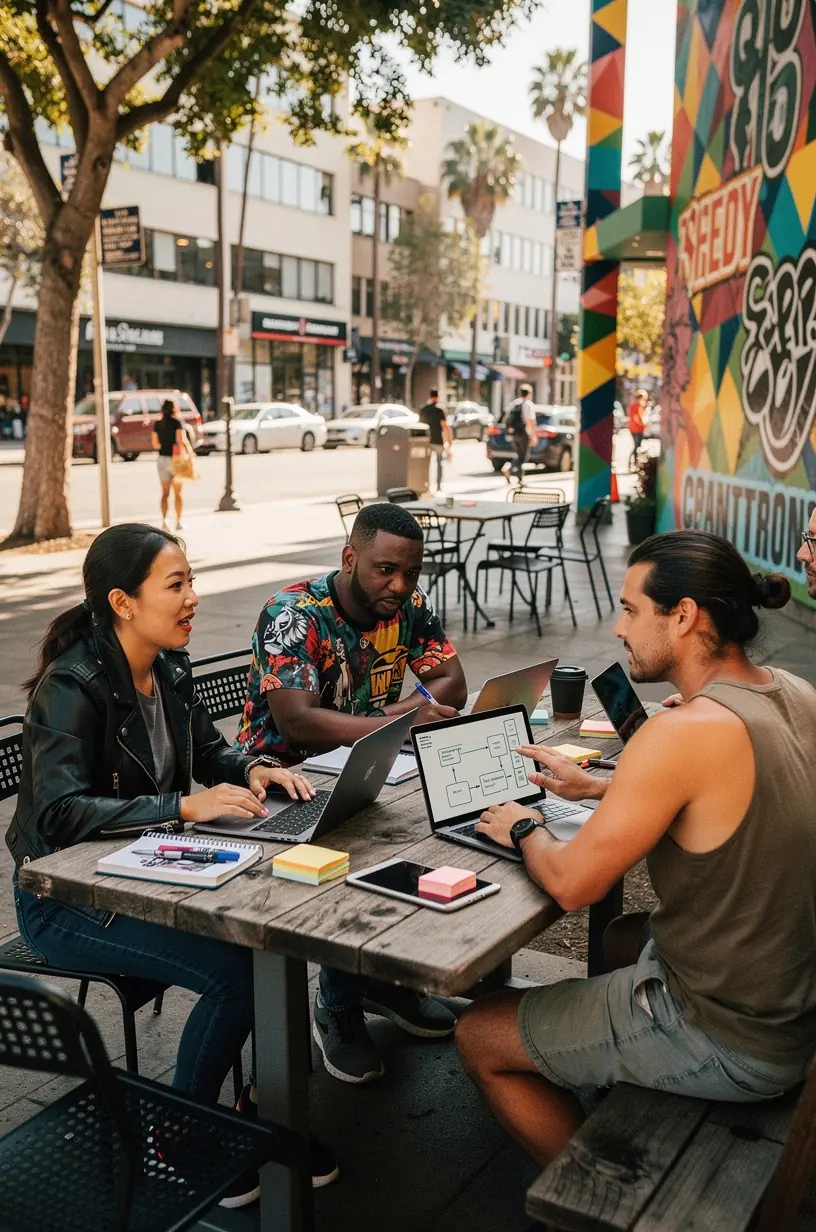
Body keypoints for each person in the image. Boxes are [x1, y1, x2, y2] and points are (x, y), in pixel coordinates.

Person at [454, 530, 816, 1169]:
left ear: (682, 616)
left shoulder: (682, 732)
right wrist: (600, 786)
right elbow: (724, 798)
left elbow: (570, 884)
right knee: (621, 938)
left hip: (734, 1037)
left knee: (477, 1034)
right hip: (786, 996)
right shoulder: (794, 692)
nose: (618, 629)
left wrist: (520, 826)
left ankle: (593, 1188)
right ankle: (597, 1060)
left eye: (630, 609)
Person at [8, 523, 336, 1206]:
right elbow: (61, 815)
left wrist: (255, 768)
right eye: (177, 584)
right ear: (124, 602)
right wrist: (184, 809)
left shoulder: (169, 667)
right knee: (240, 972)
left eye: (192, 581)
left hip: (148, 867)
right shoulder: (74, 686)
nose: (193, 598)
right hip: (67, 900)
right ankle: (180, 1134)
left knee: (279, 926)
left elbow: (210, 755)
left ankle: (255, 1106)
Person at [236, 501, 468, 1083]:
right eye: (385, 570)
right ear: (350, 558)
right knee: (373, 850)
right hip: (285, 780)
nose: (400, 585)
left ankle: (384, 982)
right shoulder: (294, 613)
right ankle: (337, 1003)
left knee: (434, 832)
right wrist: (404, 719)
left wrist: (391, 719)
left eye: (412, 573)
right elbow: (299, 723)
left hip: (370, 763)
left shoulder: (406, 604)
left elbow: (453, 684)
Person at [151, 398, 187, 532]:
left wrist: (164, 444)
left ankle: (165, 521)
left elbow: (155, 444)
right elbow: (180, 441)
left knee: (165, 493)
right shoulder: (177, 423)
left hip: (162, 459)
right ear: (174, 409)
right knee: (178, 493)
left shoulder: (157, 424)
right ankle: (178, 521)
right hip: (175, 459)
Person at [419, 388, 452, 494]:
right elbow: (445, 426)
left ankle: (426, 485)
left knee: (425, 465)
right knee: (439, 463)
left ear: (430, 396)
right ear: (437, 397)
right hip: (438, 441)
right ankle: (438, 485)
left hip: (425, 441)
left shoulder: (424, 409)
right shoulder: (440, 409)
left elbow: (420, 425)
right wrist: (449, 441)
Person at [503, 383, 537, 484]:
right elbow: (530, 421)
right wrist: (533, 435)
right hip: (524, 433)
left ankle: (519, 479)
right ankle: (508, 467)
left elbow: (507, 417)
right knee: (523, 457)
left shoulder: (514, 403)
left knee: (519, 455)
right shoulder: (528, 404)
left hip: (514, 433)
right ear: (529, 393)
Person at [627, 389, 648, 470]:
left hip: (634, 429)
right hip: (637, 429)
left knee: (637, 446)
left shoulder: (633, 406)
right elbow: (637, 418)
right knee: (637, 447)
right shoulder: (638, 406)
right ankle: (634, 463)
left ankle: (632, 463)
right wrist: (643, 424)